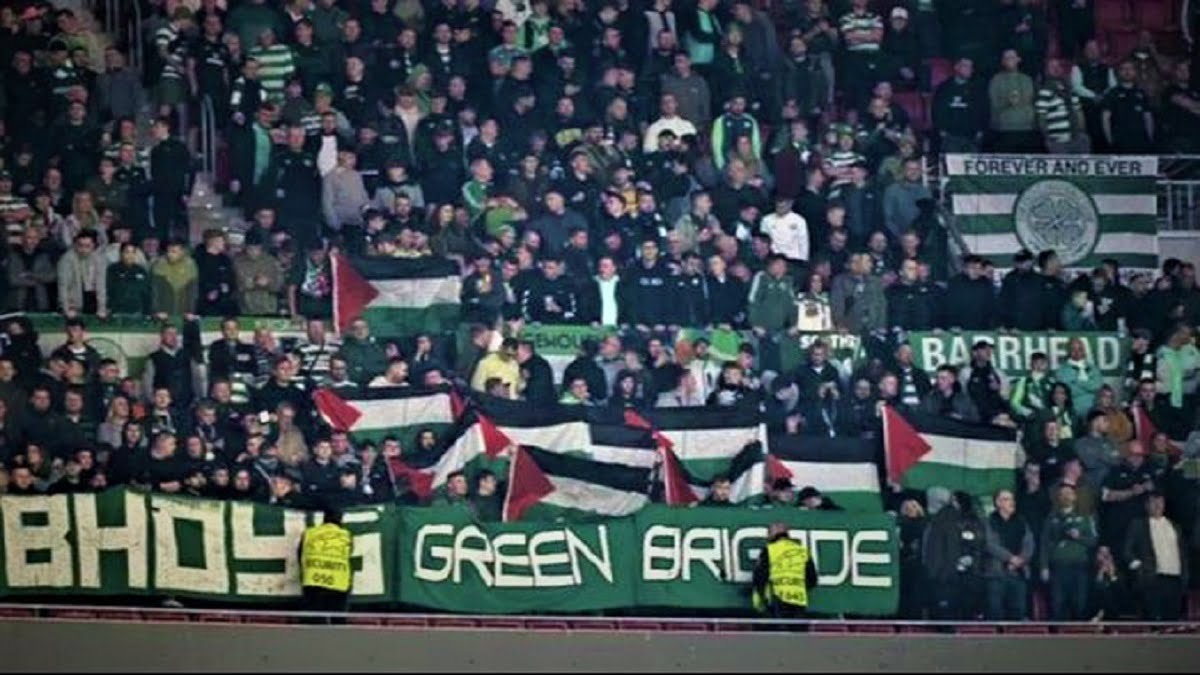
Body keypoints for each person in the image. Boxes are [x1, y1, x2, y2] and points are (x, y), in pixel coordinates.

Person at [1122, 493, 1188, 621]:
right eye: (1154, 502)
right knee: (1152, 616)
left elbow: (1182, 552)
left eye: (1161, 502)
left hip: (1174, 578)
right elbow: (1127, 550)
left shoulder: (1174, 526)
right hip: (1151, 578)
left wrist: (1184, 575)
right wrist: (1139, 567)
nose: (1158, 505)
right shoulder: (1138, 525)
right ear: (1146, 505)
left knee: (1172, 618)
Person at [1041, 484, 1098, 621]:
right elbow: (1044, 544)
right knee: (1057, 604)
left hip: (1079, 566)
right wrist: (1044, 566)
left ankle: (1079, 632)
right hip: (1058, 566)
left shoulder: (1085, 518)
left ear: (1074, 497)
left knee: (1079, 603)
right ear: (1058, 497)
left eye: (1069, 493)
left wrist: (1079, 537)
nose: (1066, 496)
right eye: (1063, 494)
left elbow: (1094, 541)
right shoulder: (1051, 518)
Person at [984, 489, 1035, 620]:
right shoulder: (989, 522)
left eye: (1012, 499)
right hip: (996, 574)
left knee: (1018, 610)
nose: (1012, 502)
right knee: (995, 611)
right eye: (1007, 499)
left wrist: (1021, 560)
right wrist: (1010, 558)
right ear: (998, 503)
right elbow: (990, 544)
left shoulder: (1021, 522)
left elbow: (1029, 543)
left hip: (1018, 573)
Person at [750, 522, 818, 619]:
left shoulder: (770, 550)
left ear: (772, 534)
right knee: (797, 628)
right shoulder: (802, 551)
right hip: (799, 601)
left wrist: (761, 597)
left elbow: (760, 576)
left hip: (777, 599)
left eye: (768, 533)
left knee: (779, 627)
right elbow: (812, 579)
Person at [299, 507, 353, 619]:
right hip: (338, 583)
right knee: (338, 621)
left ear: (324, 519)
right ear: (340, 519)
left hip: (313, 581)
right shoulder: (346, 535)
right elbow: (349, 554)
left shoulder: (309, 533)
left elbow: (300, 554)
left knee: (313, 619)